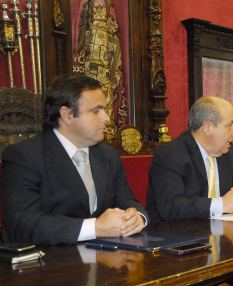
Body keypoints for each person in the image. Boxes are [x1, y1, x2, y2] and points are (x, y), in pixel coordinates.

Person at [2, 75, 148, 245]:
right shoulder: (24, 156)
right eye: (96, 111)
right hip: (50, 264)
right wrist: (95, 227)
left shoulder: (108, 155)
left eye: (105, 109)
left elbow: (128, 201)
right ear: (67, 115)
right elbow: (23, 225)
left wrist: (137, 217)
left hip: (107, 260)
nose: (106, 118)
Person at [147, 96, 233, 286]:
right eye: (230, 125)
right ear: (208, 127)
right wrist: (222, 204)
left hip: (220, 240)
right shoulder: (171, 154)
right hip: (178, 246)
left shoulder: (227, 154)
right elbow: (170, 206)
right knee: (204, 283)